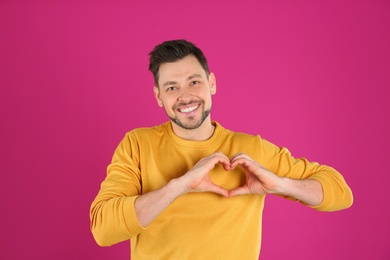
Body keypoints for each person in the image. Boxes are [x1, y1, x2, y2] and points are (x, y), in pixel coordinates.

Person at [90, 39, 353, 259]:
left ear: (212, 83)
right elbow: (103, 230)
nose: (185, 96)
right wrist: (180, 185)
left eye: (194, 82)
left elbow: (340, 193)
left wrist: (281, 185)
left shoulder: (251, 149)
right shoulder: (137, 144)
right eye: (172, 87)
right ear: (159, 96)